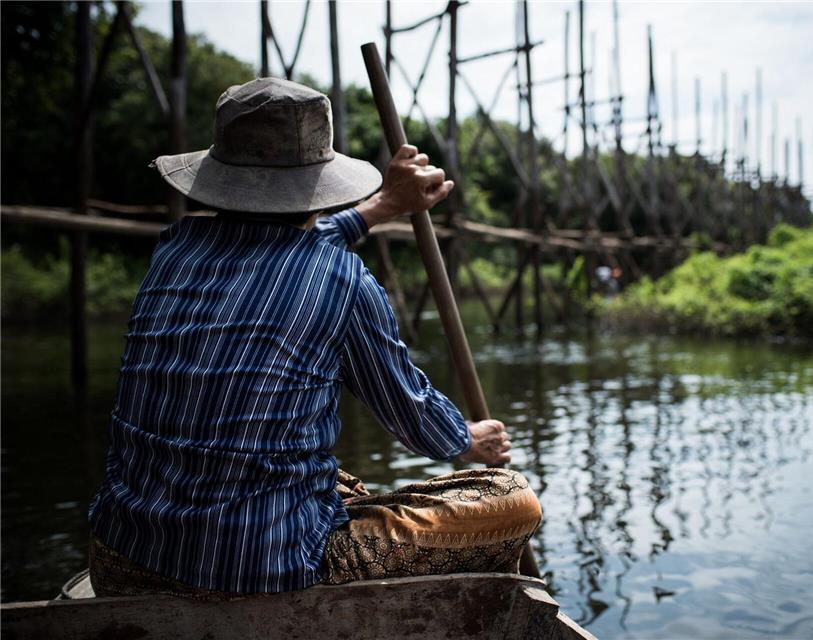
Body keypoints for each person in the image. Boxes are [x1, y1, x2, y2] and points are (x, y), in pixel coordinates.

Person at [86, 77, 541, 597]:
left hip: (120, 555)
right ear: (318, 182)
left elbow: (278, 248)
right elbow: (413, 418)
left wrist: (385, 205)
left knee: (333, 478)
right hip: (260, 568)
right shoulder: (342, 280)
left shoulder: (174, 251)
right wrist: (468, 439)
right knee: (511, 499)